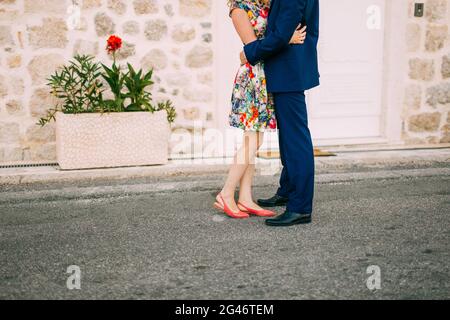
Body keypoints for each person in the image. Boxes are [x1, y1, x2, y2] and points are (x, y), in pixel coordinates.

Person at [214, 0, 307, 219]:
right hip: (252, 78)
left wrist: (283, 38)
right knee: (252, 139)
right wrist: (288, 39)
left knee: (256, 138)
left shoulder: (262, 6)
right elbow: (253, 49)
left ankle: (245, 197)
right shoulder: (238, 10)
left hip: (265, 75)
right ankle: (226, 193)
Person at [241, 0, 320, 227]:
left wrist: (249, 52)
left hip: (290, 70)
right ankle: (287, 190)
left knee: (296, 140)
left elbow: (281, 35)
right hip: (287, 70)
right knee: (288, 138)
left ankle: (300, 207)